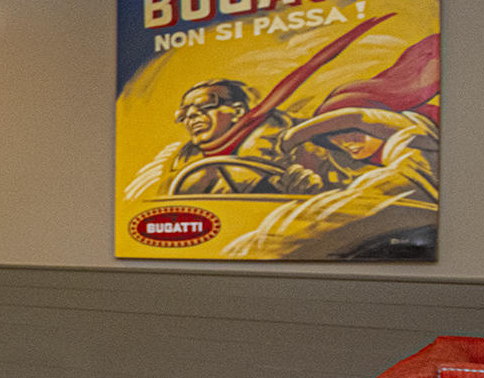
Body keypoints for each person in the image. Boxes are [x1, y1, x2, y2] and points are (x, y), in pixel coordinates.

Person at [224, 106, 438, 259]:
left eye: (348, 131)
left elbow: (356, 117)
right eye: (332, 137)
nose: (346, 141)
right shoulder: (368, 173)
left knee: (274, 242)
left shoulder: (414, 139)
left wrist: (292, 137)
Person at [124, 79, 312, 198]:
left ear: (237, 111)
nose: (191, 117)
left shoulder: (287, 141)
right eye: (184, 113)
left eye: (205, 105)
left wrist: (300, 187)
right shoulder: (185, 162)